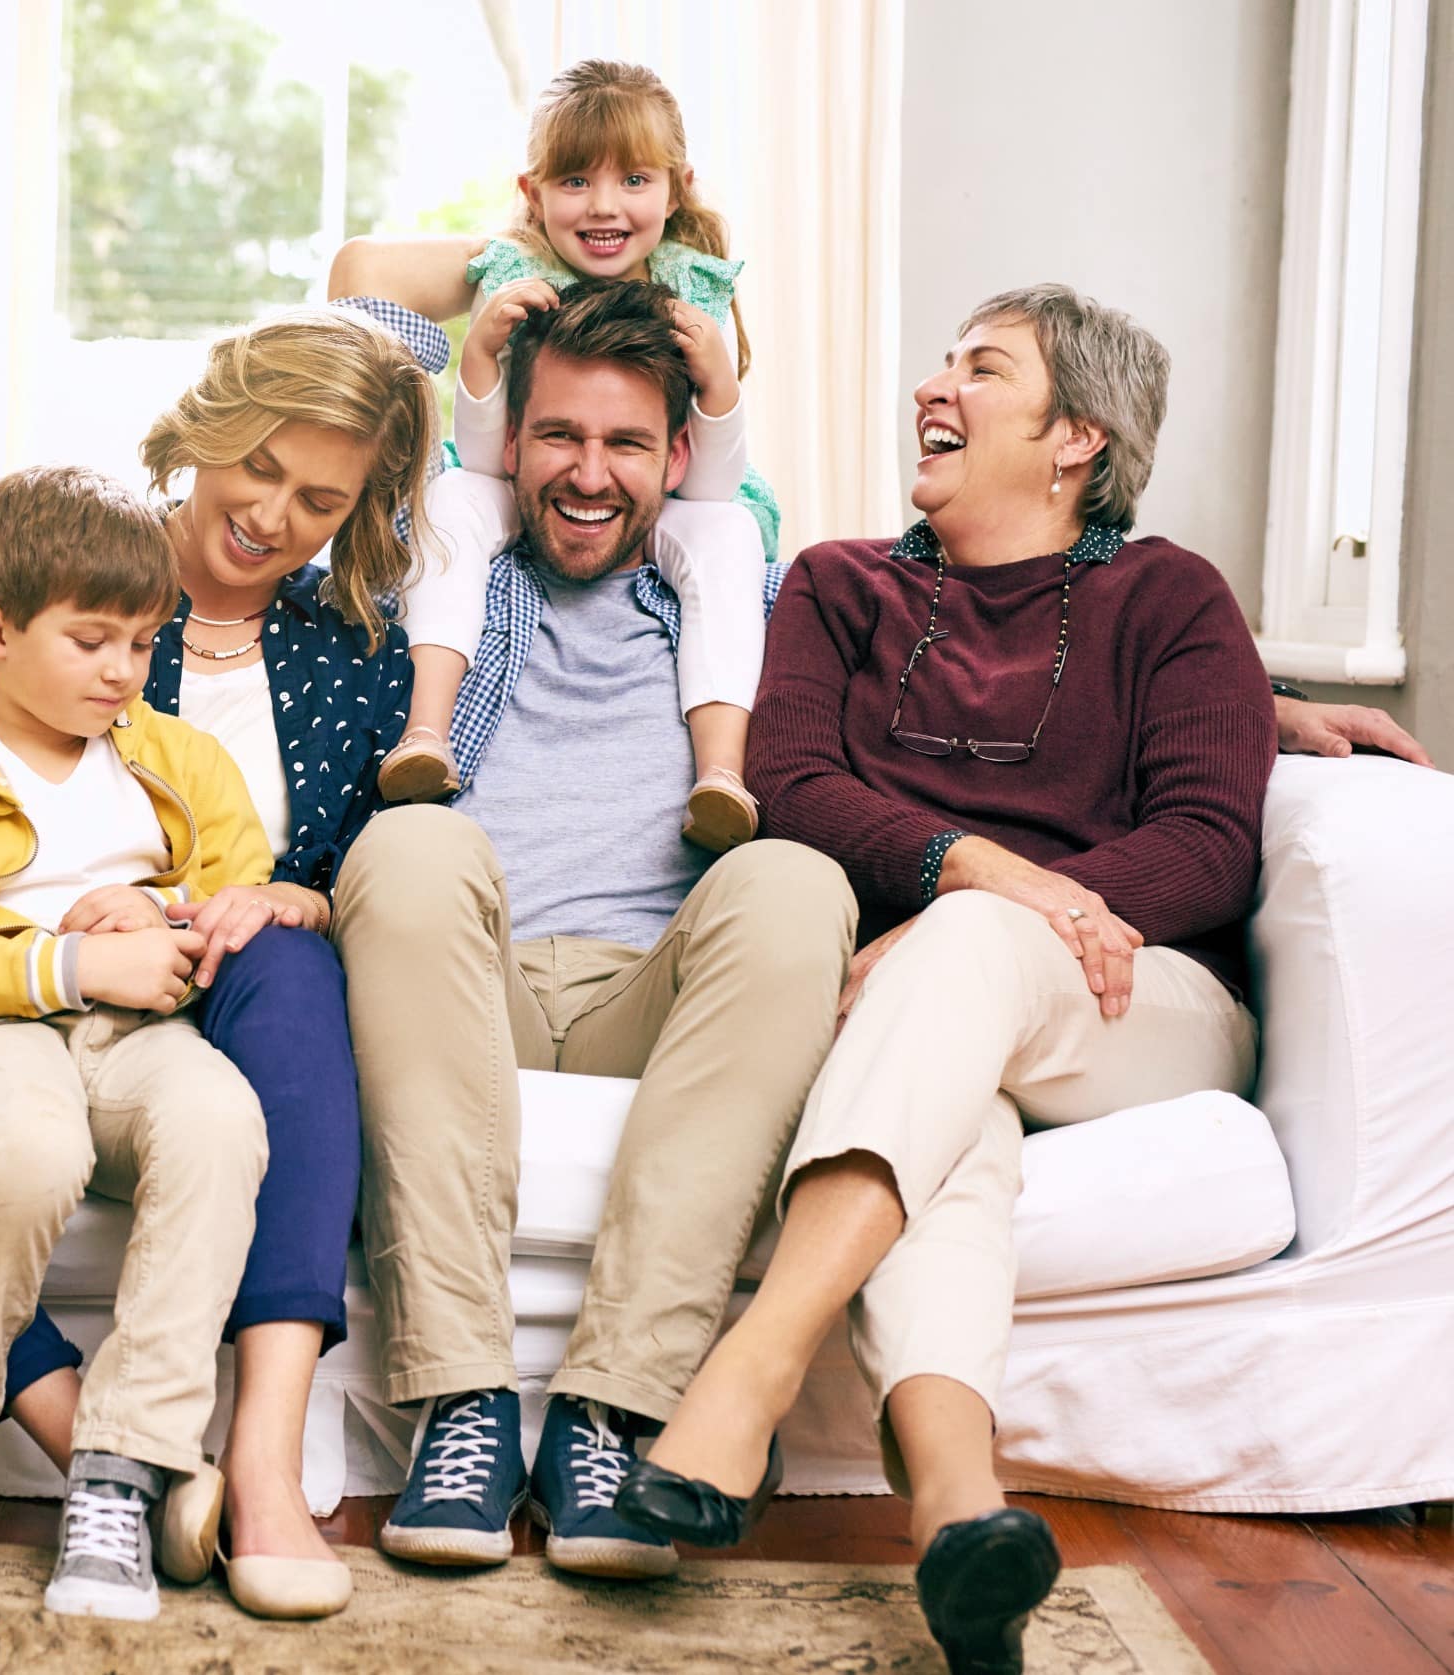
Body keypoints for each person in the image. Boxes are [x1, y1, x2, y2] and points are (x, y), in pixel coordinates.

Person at [612, 286, 1274, 1675]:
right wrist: (983, 867)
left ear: (1075, 436)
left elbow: (1210, 843)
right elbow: (789, 782)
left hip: (1131, 1003)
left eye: (983, 369)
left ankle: (750, 1369)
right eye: (944, 362)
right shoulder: (843, 585)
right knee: (951, 1130)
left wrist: (1014, 911)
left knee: (967, 952)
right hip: (919, 1013)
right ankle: (963, 1519)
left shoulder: (1172, 598)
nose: (936, 385)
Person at [0, 303, 436, 1620]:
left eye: (320, 498)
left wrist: (227, 913)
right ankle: (35, 1440)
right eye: (260, 467)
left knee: (256, 1048)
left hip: (198, 984)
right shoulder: (70, 583)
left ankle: (209, 1467)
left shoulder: (350, 661)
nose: (275, 514)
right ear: (207, 434)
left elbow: (292, 872)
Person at [329, 274, 856, 1581]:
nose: (587, 471)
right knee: (407, 839)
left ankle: (617, 1408)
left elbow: (924, 663)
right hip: (472, 984)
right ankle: (459, 1403)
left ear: (679, 456)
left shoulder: (750, 592)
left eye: (625, 442)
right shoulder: (425, 570)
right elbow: (248, 544)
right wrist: (485, 316)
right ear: (509, 442)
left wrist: (1270, 701)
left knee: (794, 880)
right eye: (559, 433)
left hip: (657, 997)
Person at [0, 465, 275, 1622]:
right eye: (90, 640)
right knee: (30, 1156)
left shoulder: (175, 759)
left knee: (218, 1120)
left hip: (140, 1030)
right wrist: (69, 963)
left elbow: (244, 891)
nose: (121, 671)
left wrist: (163, 917)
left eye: (140, 641)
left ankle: (119, 1471)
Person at [328, 59, 773, 849]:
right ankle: (427, 731)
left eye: (635, 179)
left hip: (673, 492)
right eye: (573, 182)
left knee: (730, 534)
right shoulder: (514, 275)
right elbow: (486, 460)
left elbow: (705, 481)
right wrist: (482, 351)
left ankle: (722, 774)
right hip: (517, 474)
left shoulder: (694, 285)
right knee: (451, 503)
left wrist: (718, 384)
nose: (604, 207)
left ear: (678, 188)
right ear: (531, 194)